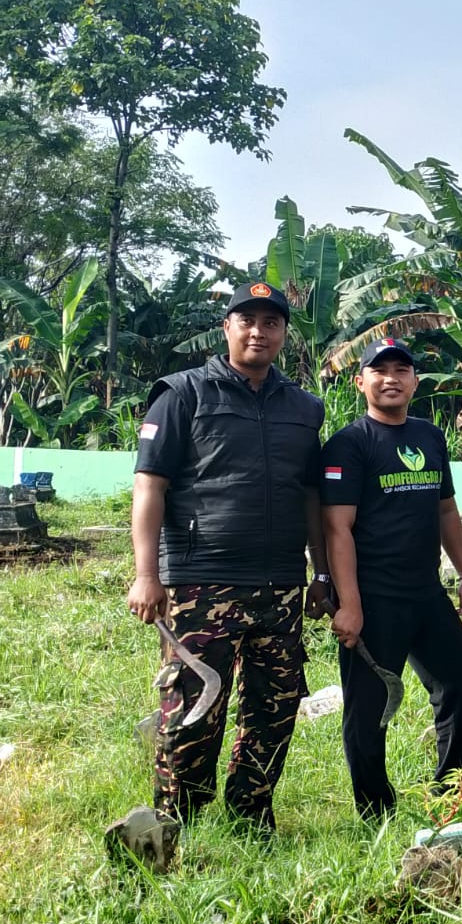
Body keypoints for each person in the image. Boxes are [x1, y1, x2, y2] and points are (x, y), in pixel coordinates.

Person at [126, 280, 328, 832]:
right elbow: (150, 487)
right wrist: (147, 575)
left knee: (275, 707)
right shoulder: (183, 393)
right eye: (247, 320)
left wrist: (321, 572)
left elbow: (312, 497)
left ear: (284, 333)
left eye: (271, 323)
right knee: (195, 708)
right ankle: (175, 821)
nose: (259, 331)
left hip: (281, 584)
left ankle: (251, 814)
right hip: (201, 582)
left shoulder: (304, 408)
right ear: (228, 328)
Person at [319, 337, 462, 819]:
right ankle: (375, 810)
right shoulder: (349, 444)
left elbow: (447, 510)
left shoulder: (430, 438)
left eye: (401, 370)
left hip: (426, 591)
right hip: (373, 596)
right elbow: (337, 527)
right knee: (368, 707)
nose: (390, 378)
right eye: (379, 370)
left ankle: (454, 792)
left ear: (414, 381)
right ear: (361, 381)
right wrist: (349, 603)